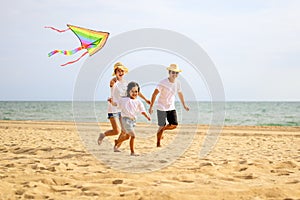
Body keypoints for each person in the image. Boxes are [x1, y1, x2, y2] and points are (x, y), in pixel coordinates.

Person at [97, 62, 150, 151]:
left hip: (122, 109)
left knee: (124, 131)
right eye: (118, 71)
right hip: (113, 108)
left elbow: (136, 90)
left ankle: (116, 146)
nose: (121, 72)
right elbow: (111, 84)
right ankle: (103, 135)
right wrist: (114, 81)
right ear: (115, 72)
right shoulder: (113, 81)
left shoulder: (126, 83)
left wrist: (145, 99)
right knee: (116, 131)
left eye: (122, 71)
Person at [149, 64, 189, 147]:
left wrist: (184, 105)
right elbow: (154, 94)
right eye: (173, 72)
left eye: (176, 73)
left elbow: (180, 93)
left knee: (174, 125)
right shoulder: (163, 82)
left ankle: (162, 130)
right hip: (161, 107)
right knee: (161, 125)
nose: (175, 75)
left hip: (171, 107)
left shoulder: (178, 83)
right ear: (169, 73)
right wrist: (151, 106)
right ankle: (158, 143)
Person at [110, 82, 151, 156]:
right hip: (125, 120)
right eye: (132, 91)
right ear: (129, 91)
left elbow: (142, 110)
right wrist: (112, 102)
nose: (134, 93)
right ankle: (132, 152)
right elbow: (116, 104)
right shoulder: (124, 99)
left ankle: (117, 141)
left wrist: (147, 116)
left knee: (127, 137)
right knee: (133, 136)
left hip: (133, 121)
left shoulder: (138, 101)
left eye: (136, 91)